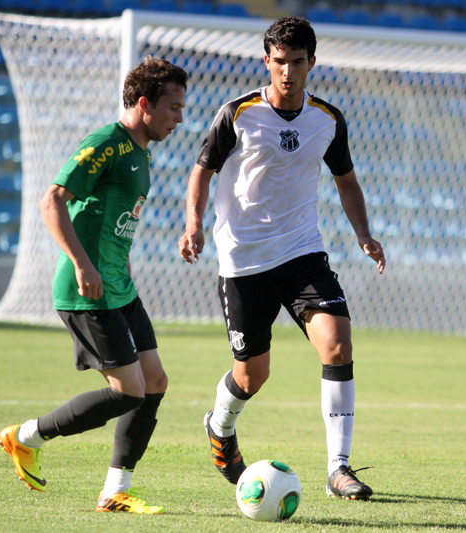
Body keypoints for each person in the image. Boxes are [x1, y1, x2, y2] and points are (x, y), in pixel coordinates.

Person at [178, 16, 385, 501]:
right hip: (244, 263)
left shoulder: (328, 120)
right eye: (279, 63)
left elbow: (346, 181)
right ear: (265, 62)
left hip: (302, 253)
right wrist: (193, 223)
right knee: (253, 375)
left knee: (337, 344)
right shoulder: (238, 113)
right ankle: (220, 424)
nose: (287, 72)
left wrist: (364, 234)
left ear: (312, 62)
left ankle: (338, 468)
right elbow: (202, 171)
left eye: (296, 62)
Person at [0, 57, 188, 514]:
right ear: (144, 104)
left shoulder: (142, 152)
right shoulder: (107, 142)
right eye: (173, 107)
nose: (180, 118)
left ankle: (114, 491)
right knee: (128, 391)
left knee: (155, 381)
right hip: (89, 290)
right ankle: (24, 438)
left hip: (120, 287)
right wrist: (83, 266)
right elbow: (52, 200)